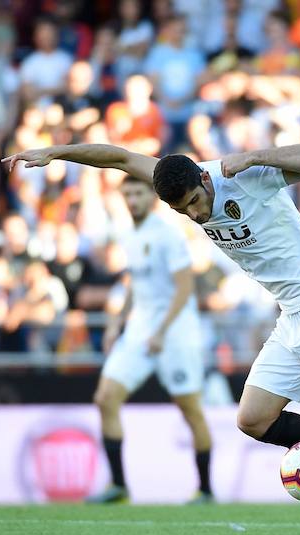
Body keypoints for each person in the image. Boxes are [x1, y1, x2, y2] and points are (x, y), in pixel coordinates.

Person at [3, 142, 300, 535]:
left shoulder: (245, 176)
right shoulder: (181, 179)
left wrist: (257, 156)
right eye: (182, 210)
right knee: (253, 419)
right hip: (293, 314)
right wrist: (55, 153)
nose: (195, 215)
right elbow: (119, 158)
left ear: (205, 181)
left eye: (195, 203)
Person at [72, 176, 213, 504]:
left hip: (175, 333)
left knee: (190, 409)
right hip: (140, 331)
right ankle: (119, 486)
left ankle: (206, 490)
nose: (132, 200)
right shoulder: (127, 233)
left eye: (138, 193)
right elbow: (136, 283)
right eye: (128, 194)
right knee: (106, 398)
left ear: (151, 198)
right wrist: (116, 324)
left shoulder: (168, 234)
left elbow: (184, 288)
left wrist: (162, 331)